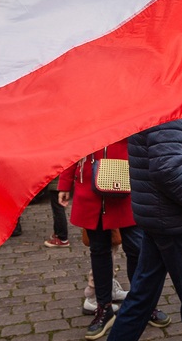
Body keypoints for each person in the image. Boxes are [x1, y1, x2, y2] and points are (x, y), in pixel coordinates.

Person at [107, 117, 182, 340]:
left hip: (162, 219)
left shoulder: (157, 106)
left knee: (142, 297)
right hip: (179, 223)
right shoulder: (169, 110)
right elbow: (167, 169)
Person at [58, 140, 166, 340]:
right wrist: (64, 183)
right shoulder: (82, 114)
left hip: (127, 185)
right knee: (99, 252)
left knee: (138, 249)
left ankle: (144, 304)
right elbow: (72, 146)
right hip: (91, 190)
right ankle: (104, 307)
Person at [43, 176, 70, 248]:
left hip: (57, 183)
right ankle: (58, 233)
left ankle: (62, 238)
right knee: (57, 210)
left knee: (58, 210)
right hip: (58, 182)